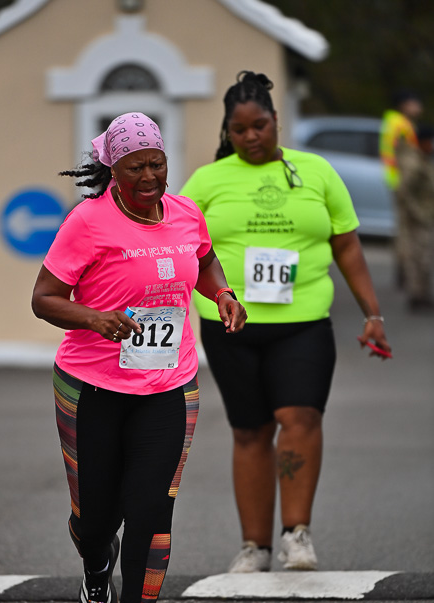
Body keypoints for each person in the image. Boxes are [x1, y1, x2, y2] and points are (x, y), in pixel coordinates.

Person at [31, 112, 246, 603]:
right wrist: (95, 319)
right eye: (136, 167)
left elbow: (202, 258)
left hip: (168, 385)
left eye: (157, 163)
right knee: (97, 516)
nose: (150, 175)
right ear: (114, 169)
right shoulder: (88, 221)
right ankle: (96, 563)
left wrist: (221, 293)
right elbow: (45, 297)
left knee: (151, 512)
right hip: (91, 386)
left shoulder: (185, 214)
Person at [180, 72, 391, 574]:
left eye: (260, 126)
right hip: (231, 325)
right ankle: (254, 547)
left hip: (303, 324)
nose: (251, 137)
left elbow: (346, 244)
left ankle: (297, 533)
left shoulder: (315, 171)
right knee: (250, 431)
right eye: (239, 130)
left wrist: (373, 313)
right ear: (227, 133)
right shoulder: (208, 181)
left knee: (300, 419)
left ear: (277, 121)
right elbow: (180, 247)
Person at [379, 90, 423, 286]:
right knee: (408, 229)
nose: (419, 107)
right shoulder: (400, 124)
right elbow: (405, 155)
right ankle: (407, 271)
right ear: (405, 104)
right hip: (403, 180)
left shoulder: (392, 121)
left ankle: (404, 270)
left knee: (403, 228)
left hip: (397, 178)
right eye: (415, 102)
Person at [394, 123, 434, 311]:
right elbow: (404, 192)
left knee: (422, 256)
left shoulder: (423, 159)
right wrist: (418, 214)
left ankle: (421, 294)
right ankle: (418, 296)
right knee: (419, 257)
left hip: (424, 216)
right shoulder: (414, 162)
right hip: (419, 218)